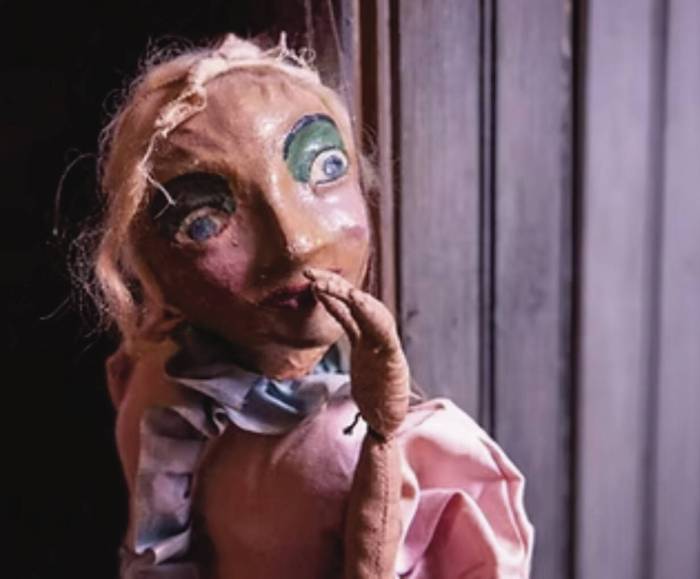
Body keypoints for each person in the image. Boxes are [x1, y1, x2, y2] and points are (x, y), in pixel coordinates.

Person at [86, 34, 533, 578]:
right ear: (153, 271)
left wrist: (382, 440)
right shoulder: (165, 393)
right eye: (204, 222)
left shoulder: (156, 379)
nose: (298, 243)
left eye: (325, 168)